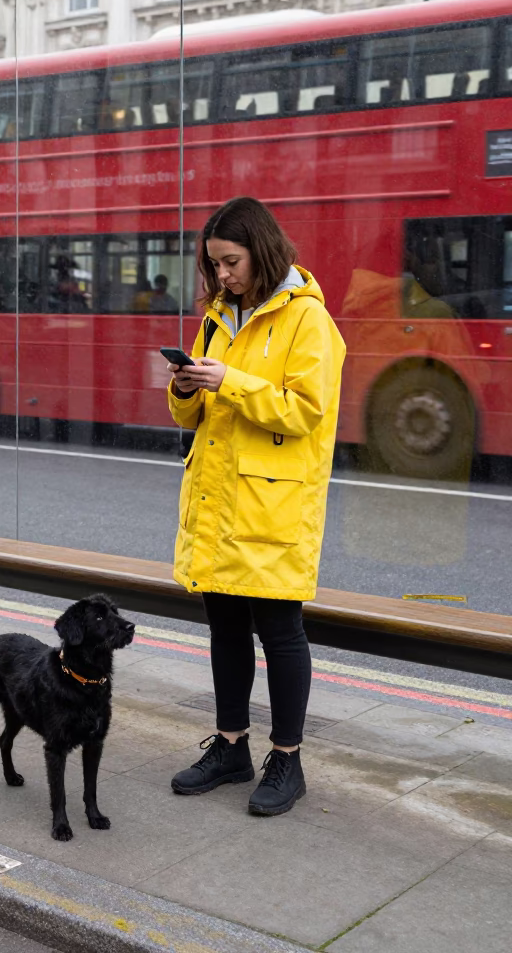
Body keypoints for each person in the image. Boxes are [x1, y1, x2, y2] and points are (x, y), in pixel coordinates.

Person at [165, 197, 345, 816]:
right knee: (225, 629)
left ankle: (287, 760)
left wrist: (230, 381)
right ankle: (232, 748)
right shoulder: (220, 315)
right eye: (213, 265)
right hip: (220, 499)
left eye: (230, 262)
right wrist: (185, 386)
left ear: (261, 252)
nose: (221, 276)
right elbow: (192, 414)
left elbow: (307, 411)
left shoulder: (309, 321)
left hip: (272, 506)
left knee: (281, 634)